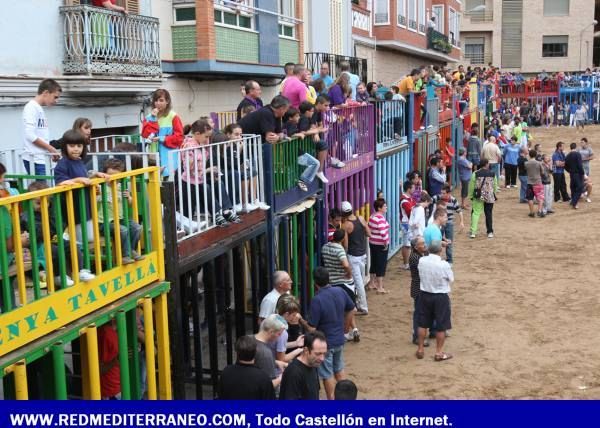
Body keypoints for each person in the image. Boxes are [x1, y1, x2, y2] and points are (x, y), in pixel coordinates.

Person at [54, 130, 110, 267]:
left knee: (88, 238)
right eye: (72, 146)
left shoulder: (79, 162)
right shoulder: (63, 163)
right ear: (65, 147)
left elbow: (84, 177)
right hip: (74, 208)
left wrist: (94, 178)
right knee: (83, 239)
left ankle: (81, 265)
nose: (76, 149)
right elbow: (61, 182)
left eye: (79, 146)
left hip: (85, 206)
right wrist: (79, 179)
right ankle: (80, 267)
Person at [300, 268, 354, 400]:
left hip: (325, 344)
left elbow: (312, 329)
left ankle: (331, 399)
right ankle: (345, 398)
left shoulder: (317, 300)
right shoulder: (340, 291)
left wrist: (301, 321)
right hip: (339, 340)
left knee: (327, 374)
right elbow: (352, 309)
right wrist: (345, 329)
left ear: (315, 283)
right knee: (339, 370)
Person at [180, 119, 240, 227]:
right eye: (206, 137)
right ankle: (216, 213)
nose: (208, 139)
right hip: (190, 180)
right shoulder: (189, 146)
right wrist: (207, 170)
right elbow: (190, 170)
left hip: (200, 177)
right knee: (205, 187)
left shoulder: (203, 143)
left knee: (217, 182)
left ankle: (226, 210)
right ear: (197, 134)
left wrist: (211, 171)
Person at [98, 158, 145, 264]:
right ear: (104, 175)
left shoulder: (121, 186)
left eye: (117, 176)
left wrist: (129, 198)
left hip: (120, 219)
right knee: (123, 230)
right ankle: (125, 256)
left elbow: (130, 204)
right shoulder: (101, 187)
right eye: (110, 175)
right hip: (104, 222)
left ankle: (131, 250)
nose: (114, 179)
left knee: (137, 227)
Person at [415, 240, 454, 362]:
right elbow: (451, 278)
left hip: (425, 294)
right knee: (441, 326)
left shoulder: (422, 261)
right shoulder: (444, 265)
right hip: (440, 296)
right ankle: (438, 352)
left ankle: (420, 349)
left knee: (422, 323)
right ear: (440, 250)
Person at [321, 228, 359, 342]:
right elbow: (346, 264)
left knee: (343, 309)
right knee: (350, 309)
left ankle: (355, 329)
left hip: (332, 282)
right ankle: (346, 333)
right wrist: (349, 273)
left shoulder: (325, 247)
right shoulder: (340, 249)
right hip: (345, 283)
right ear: (342, 238)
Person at [22, 79, 62, 176]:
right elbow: (30, 135)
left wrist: (49, 152)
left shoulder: (38, 108)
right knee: (43, 189)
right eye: (55, 97)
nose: (57, 101)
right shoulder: (31, 107)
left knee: (47, 189)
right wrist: (50, 148)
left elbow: (40, 136)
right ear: (46, 93)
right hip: (34, 160)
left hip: (40, 158)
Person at [141, 89, 184, 177]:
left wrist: (162, 138)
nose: (158, 103)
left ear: (167, 101)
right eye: (156, 100)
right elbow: (145, 134)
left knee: (169, 183)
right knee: (154, 182)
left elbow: (179, 137)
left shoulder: (173, 116)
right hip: (153, 155)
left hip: (169, 156)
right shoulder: (149, 117)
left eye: (161, 100)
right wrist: (153, 118)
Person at [341, 201, 371, 315]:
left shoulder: (346, 225)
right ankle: (360, 303)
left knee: (358, 282)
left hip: (353, 256)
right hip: (363, 254)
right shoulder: (361, 219)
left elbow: (346, 245)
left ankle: (363, 307)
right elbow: (369, 233)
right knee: (361, 281)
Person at [279, 331, 327, 400]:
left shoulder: (313, 364)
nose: (322, 358)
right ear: (306, 350)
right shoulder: (294, 373)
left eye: (324, 353)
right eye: (318, 354)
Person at [254, 314, 288, 389]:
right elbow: (269, 385)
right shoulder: (266, 353)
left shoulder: (248, 339)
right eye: (279, 334)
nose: (279, 337)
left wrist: (275, 362)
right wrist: (281, 378)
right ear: (271, 332)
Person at [432, 184, 463, 264]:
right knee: (438, 241)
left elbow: (459, 211)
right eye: (441, 193)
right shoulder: (437, 198)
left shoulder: (453, 200)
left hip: (449, 223)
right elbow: (428, 201)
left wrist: (461, 222)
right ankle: (437, 258)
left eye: (443, 193)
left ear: (448, 193)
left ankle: (449, 260)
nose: (441, 194)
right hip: (439, 224)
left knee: (449, 242)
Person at [468, 159, 497, 239]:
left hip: (478, 196)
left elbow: (471, 185)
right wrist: (493, 193)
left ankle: (473, 232)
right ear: (487, 164)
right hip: (489, 196)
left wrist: (471, 195)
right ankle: (490, 232)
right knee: (488, 214)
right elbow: (495, 185)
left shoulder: (475, 173)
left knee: (476, 213)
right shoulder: (492, 174)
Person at [368, 199, 390, 294]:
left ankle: (372, 283)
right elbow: (383, 232)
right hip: (381, 244)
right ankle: (380, 287)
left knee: (374, 263)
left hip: (373, 243)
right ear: (379, 208)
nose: (386, 207)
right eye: (384, 206)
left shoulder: (372, 216)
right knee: (381, 265)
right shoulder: (380, 219)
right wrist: (385, 243)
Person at [409, 236, 427, 347]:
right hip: (419, 288)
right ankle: (417, 336)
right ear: (416, 247)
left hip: (419, 287)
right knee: (419, 314)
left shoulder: (419, 255)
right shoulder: (416, 258)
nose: (424, 245)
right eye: (422, 243)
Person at [98, 320, 121, 399]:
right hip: (109, 390)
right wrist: (115, 361)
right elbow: (99, 369)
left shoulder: (116, 331)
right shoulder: (106, 333)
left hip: (117, 386)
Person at [400, 180, 417, 270]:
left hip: (409, 223)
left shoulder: (409, 198)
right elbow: (411, 213)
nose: (414, 189)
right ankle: (406, 264)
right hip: (406, 223)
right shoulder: (405, 201)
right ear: (409, 189)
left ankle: (407, 263)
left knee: (408, 244)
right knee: (406, 244)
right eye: (413, 188)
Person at [564, 142, 585, 209]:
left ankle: (572, 201)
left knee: (573, 187)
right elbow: (580, 165)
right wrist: (582, 173)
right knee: (579, 188)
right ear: (575, 147)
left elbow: (565, 165)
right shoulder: (577, 154)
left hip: (572, 174)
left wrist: (569, 171)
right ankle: (574, 203)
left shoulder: (568, 155)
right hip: (578, 174)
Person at [525, 149, 545, 218]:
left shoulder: (526, 163)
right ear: (536, 155)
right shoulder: (539, 163)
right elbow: (542, 172)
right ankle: (539, 211)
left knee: (530, 198)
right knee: (540, 198)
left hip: (529, 182)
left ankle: (532, 212)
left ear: (529, 155)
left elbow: (526, 171)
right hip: (538, 182)